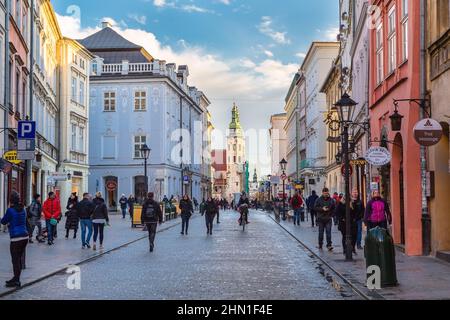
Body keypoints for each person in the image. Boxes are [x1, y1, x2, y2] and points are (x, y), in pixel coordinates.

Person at [1, 192, 29, 288]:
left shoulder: (10, 210)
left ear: (11, 200)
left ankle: (16, 280)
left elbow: (3, 221)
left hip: (16, 238)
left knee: (15, 259)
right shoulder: (23, 209)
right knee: (19, 258)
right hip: (25, 236)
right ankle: (16, 278)